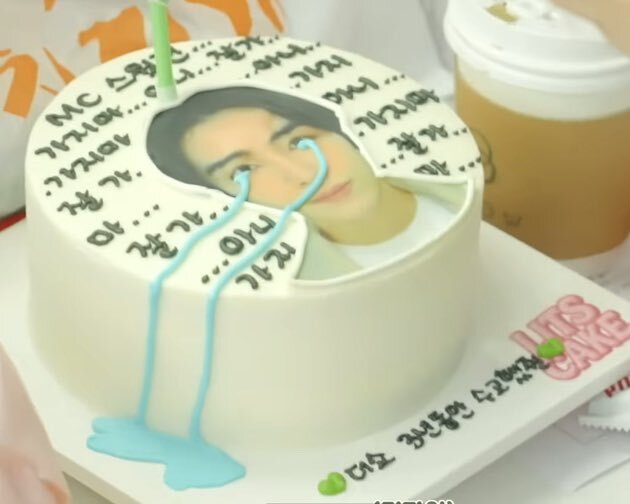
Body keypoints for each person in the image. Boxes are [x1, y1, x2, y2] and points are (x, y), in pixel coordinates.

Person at [146, 86, 458, 278]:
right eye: (244, 170)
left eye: (298, 141)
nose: (305, 174)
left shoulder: (462, 190)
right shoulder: (294, 294)